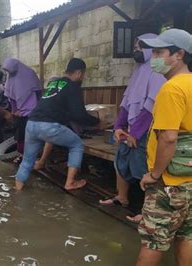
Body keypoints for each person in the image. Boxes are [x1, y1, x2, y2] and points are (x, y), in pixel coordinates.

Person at [134, 29, 192, 266]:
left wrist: (154, 175)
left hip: (169, 184)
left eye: (160, 51)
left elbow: (168, 138)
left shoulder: (171, 89)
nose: (154, 57)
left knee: (153, 241)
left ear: (179, 54)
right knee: (187, 235)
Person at [99, 34, 166, 223]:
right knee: (120, 161)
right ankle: (122, 197)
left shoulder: (157, 72)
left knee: (144, 169)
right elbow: (127, 100)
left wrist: (134, 133)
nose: (136, 49)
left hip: (144, 131)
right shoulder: (138, 70)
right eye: (135, 46)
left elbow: (150, 107)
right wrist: (119, 126)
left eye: (141, 46)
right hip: (129, 128)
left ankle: (147, 211)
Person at [15, 58, 100, 191]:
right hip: (48, 126)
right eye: (83, 74)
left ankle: (18, 189)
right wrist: (98, 122)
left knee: (27, 160)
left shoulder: (54, 83)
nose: (82, 77)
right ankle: (70, 182)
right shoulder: (73, 86)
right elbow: (79, 114)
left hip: (31, 123)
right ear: (78, 73)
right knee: (77, 144)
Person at [2, 58, 43, 163]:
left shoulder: (28, 74)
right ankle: (25, 157)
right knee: (21, 136)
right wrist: (14, 111)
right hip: (21, 114)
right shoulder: (11, 77)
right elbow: (11, 98)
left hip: (31, 112)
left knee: (28, 137)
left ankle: (30, 158)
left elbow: (38, 91)